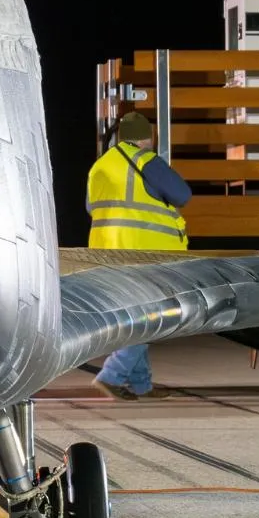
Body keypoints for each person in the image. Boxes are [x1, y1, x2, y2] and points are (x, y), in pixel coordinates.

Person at [86, 112, 192, 401]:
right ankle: (112, 376)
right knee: (150, 317)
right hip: (144, 253)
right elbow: (183, 195)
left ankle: (141, 385)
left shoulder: (100, 166)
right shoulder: (147, 161)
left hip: (106, 252)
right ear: (146, 137)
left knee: (136, 316)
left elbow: (90, 206)